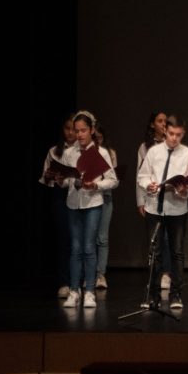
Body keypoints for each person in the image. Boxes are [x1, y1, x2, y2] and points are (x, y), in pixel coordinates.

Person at [136, 115, 188, 310]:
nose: (174, 138)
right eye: (171, 134)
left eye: (178, 135)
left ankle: (176, 294)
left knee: (177, 252)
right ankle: (152, 294)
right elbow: (142, 176)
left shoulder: (187, 154)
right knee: (155, 251)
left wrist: (184, 190)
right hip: (155, 207)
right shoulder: (153, 152)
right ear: (165, 131)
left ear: (183, 134)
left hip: (177, 209)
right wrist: (149, 185)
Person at [60, 111, 118, 308]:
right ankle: (74, 291)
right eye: (77, 131)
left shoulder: (101, 153)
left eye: (83, 130)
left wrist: (96, 185)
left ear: (92, 130)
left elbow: (113, 180)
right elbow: (65, 180)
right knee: (75, 248)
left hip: (93, 203)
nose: (80, 135)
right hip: (74, 203)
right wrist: (65, 179)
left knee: (88, 247)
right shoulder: (69, 153)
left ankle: (90, 291)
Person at [40, 116, 76, 299]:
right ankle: (64, 282)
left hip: (78, 195)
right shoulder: (54, 151)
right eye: (67, 128)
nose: (70, 133)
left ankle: (78, 282)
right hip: (60, 197)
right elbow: (45, 180)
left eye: (74, 129)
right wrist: (48, 176)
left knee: (77, 240)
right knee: (63, 240)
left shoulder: (83, 151)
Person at [137, 111, 171, 291]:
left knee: (167, 238)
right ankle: (155, 273)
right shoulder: (145, 147)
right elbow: (140, 175)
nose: (163, 124)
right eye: (160, 121)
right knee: (155, 238)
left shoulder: (172, 144)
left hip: (170, 198)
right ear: (152, 125)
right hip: (151, 198)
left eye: (166, 121)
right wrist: (140, 201)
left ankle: (166, 273)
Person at [92, 123, 117, 291]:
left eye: (100, 138)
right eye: (96, 138)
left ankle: (101, 274)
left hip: (105, 196)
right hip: (89, 197)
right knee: (88, 239)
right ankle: (88, 274)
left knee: (102, 238)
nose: (98, 141)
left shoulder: (108, 153)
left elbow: (113, 178)